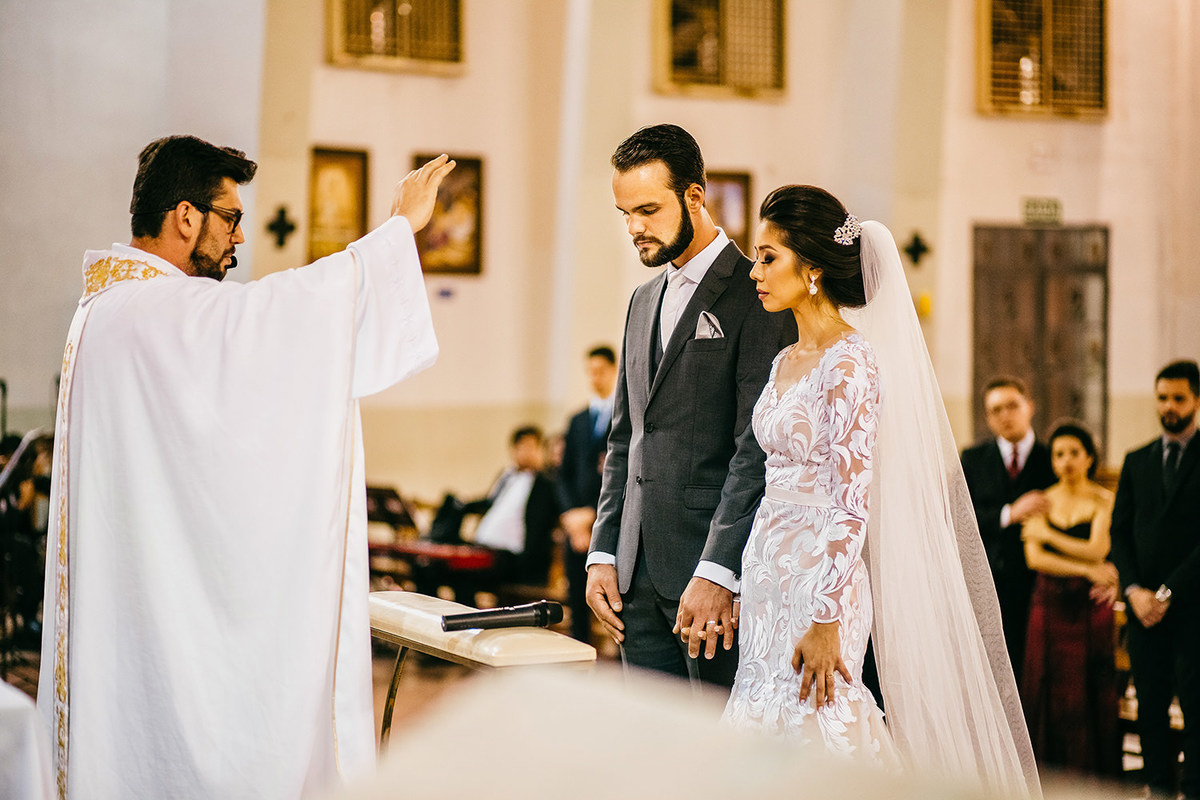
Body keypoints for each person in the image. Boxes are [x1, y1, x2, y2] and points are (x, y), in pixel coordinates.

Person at [38, 135, 453, 799]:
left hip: (134, 618)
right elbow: (282, 315)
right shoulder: (151, 311)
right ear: (184, 217)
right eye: (230, 218)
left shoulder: (106, 312)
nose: (238, 238)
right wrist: (397, 230)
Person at [721, 185, 1039, 799]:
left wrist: (826, 616)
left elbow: (851, 497)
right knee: (761, 718)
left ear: (811, 269)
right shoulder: (784, 358)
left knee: (820, 720)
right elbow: (770, 476)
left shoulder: (851, 362)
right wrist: (743, 574)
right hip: (767, 571)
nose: (754, 272)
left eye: (768, 258)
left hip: (821, 582)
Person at [586, 124, 797, 688]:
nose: (635, 228)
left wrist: (719, 570)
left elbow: (755, 451)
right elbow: (625, 439)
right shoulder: (640, 300)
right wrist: (603, 553)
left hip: (709, 586)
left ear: (695, 197)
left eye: (649, 209)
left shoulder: (757, 294)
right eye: (624, 212)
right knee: (653, 760)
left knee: (713, 761)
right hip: (635, 581)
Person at [1109, 359, 1200, 800]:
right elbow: (1119, 532)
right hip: (1143, 608)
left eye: (1178, 398)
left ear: (1196, 400)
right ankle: (1159, 786)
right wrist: (1134, 591)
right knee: (1150, 703)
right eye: (1162, 397)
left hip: (1192, 607)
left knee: (1197, 704)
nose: (1169, 406)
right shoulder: (1137, 459)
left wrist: (1167, 592)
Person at [1019, 422, 1121, 776]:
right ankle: (1048, 778)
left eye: (1074, 453)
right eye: (1059, 454)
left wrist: (1049, 534)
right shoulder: (1042, 498)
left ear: (1089, 458)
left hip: (1090, 607)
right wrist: (1087, 569)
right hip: (1047, 605)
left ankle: (1094, 779)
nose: (1066, 461)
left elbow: (1098, 549)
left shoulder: (1103, 499)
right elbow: (1035, 559)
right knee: (1047, 687)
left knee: (1090, 689)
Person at [961, 378, 1056, 681]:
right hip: (985, 577)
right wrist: (1010, 513)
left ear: (1029, 406)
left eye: (1012, 405)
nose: (1005, 415)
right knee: (987, 669)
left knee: (1033, 669)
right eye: (996, 409)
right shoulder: (973, 459)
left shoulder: (1053, 458)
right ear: (988, 418)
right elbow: (962, 517)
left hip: (1038, 582)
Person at [558, 345, 618, 643]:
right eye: (590, 372)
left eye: (600, 371)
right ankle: (579, 648)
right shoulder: (577, 420)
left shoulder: (623, 417)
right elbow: (562, 473)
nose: (595, 377)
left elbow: (620, 474)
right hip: (576, 521)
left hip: (604, 516)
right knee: (576, 591)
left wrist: (592, 515)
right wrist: (571, 516)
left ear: (613, 370)